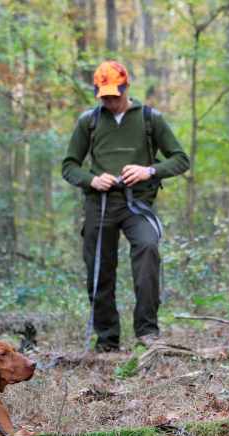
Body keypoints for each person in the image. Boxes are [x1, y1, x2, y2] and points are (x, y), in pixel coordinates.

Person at [62, 61, 190, 352]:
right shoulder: (89, 121)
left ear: (127, 87)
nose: (110, 102)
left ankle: (147, 333)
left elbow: (181, 159)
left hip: (138, 205)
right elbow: (69, 166)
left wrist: (151, 171)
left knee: (147, 249)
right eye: (104, 97)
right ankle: (107, 341)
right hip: (99, 205)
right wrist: (92, 180)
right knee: (99, 268)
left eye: (115, 96)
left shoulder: (150, 119)